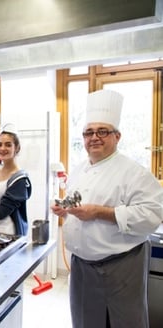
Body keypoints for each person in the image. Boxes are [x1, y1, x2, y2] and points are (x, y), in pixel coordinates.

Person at [51, 89, 163, 328]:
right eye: (89, 132)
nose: (95, 137)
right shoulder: (80, 169)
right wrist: (64, 208)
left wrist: (102, 212)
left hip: (121, 266)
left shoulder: (134, 172)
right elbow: (75, 202)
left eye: (103, 131)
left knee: (124, 323)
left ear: (117, 136)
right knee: (85, 322)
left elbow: (153, 215)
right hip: (81, 267)